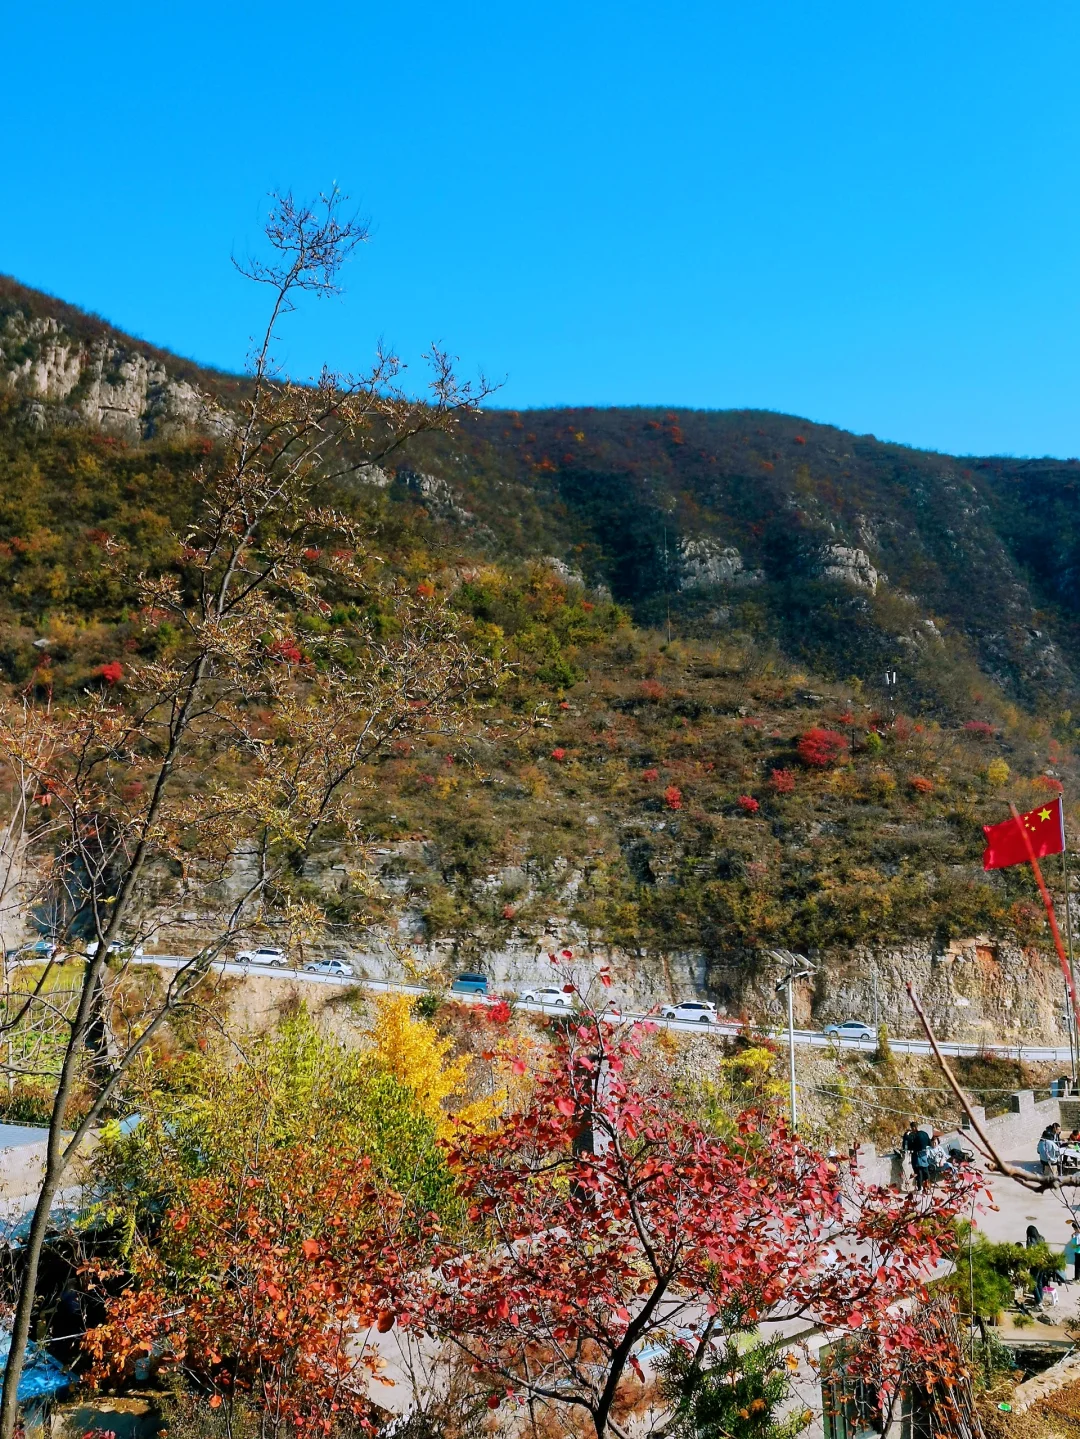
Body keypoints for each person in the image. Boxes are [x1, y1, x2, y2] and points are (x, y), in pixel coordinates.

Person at [902, 1119, 932, 1191]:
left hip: (916, 1155)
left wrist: (906, 1135)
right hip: (924, 1154)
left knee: (918, 1172)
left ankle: (919, 1188)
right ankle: (928, 1187)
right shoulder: (925, 1134)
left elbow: (908, 1145)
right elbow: (929, 1143)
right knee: (925, 1171)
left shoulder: (913, 1136)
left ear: (913, 1128)